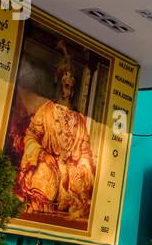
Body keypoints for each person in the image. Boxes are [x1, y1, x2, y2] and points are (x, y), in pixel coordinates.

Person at [15, 49, 95, 221]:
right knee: (43, 176)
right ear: (60, 86)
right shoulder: (47, 111)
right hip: (48, 163)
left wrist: (82, 167)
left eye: (73, 88)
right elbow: (31, 136)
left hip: (70, 171)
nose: (70, 92)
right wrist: (42, 154)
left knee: (78, 188)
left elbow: (85, 150)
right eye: (67, 86)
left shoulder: (79, 120)